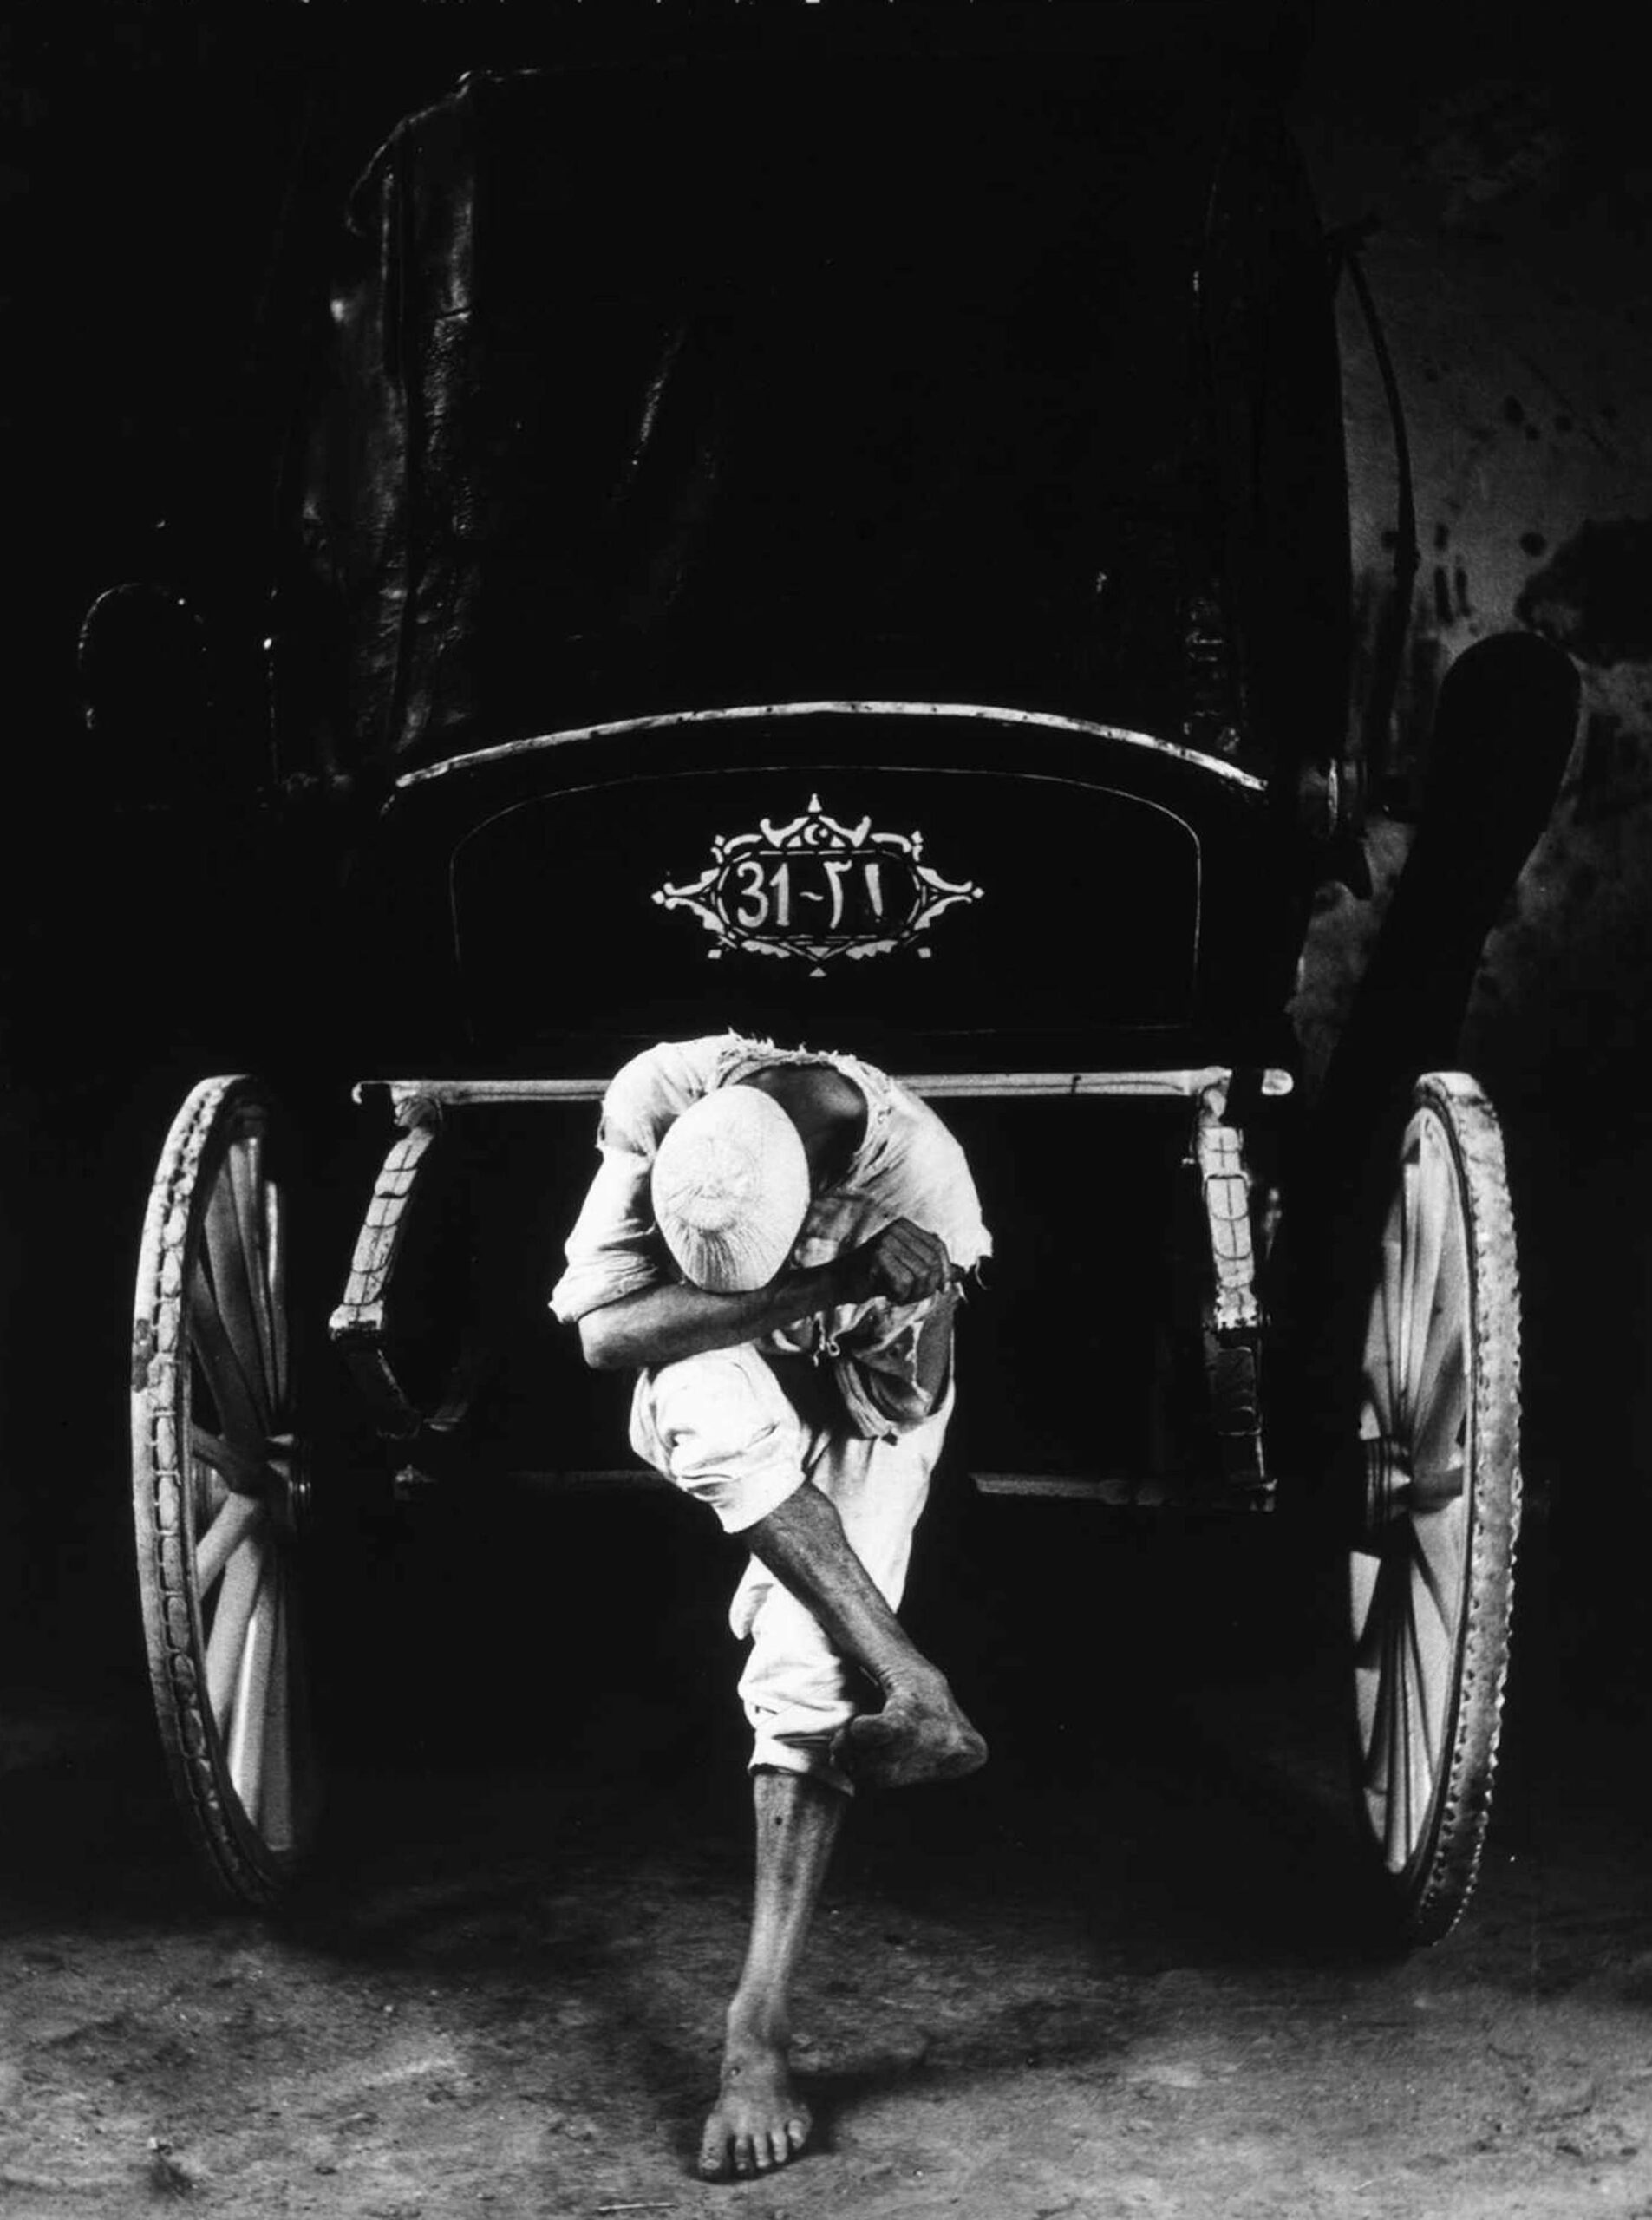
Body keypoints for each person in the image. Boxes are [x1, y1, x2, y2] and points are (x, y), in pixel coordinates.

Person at [550, 1032, 990, 2181]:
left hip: (864, 1394)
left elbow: (902, 1394)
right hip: (741, 1358)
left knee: (811, 1676)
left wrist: (868, 1294)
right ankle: (921, 1680)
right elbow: (605, 1333)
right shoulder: (660, 1099)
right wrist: (822, 1278)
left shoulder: (921, 1180)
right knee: (690, 1391)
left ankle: (757, 2027)